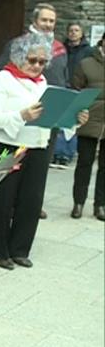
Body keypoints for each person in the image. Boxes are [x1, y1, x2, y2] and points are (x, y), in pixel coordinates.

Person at [0, 33, 88, 270]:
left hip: (38, 145)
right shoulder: (3, 78)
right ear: (19, 57)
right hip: (6, 145)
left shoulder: (43, 83)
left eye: (42, 62)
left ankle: (20, 249)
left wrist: (76, 118)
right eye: (32, 60)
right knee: (3, 199)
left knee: (31, 200)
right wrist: (21, 116)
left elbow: (55, 116)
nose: (37, 66)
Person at [0, 2, 68, 220]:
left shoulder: (60, 50)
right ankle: (14, 204)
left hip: (50, 115)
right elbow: (1, 73)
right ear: (34, 21)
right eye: (44, 20)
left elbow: (63, 78)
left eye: (51, 21)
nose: (47, 24)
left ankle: (33, 203)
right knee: (17, 168)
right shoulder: (17, 45)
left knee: (39, 168)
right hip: (22, 116)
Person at [70, 35, 104, 221]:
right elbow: (76, 89)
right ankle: (78, 203)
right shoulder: (86, 63)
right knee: (84, 163)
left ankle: (100, 205)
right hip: (89, 120)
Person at [54, 23, 94, 166]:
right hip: (63, 85)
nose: (73, 33)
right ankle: (57, 152)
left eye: (76, 30)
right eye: (70, 30)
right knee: (60, 121)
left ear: (81, 33)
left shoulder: (88, 51)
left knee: (73, 123)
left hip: (78, 87)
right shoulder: (61, 49)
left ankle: (67, 154)